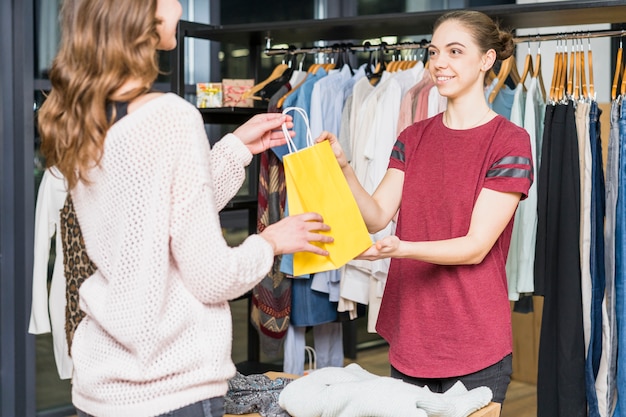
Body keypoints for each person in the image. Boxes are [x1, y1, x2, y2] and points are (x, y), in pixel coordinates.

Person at [37, 0, 333, 416]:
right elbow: (213, 278)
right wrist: (270, 242)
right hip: (169, 389)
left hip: (104, 386)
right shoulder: (170, 117)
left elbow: (150, 216)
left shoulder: (83, 115)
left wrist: (233, 150)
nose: (179, 6)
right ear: (143, 12)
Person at [317, 10, 532, 404]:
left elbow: (475, 246)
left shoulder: (509, 142)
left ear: (486, 59)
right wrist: (344, 167)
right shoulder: (412, 137)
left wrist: (403, 248)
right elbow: (377, 214)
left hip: (474, 340)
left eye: (455, 51)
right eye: (434, 52)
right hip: (412, 334)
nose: (439, 63)